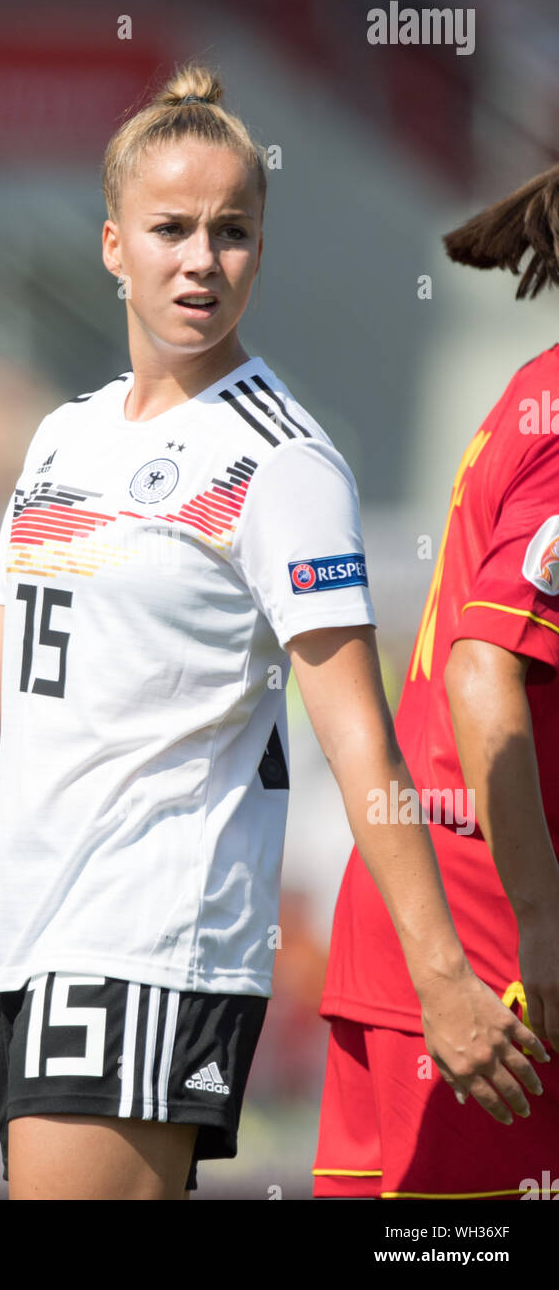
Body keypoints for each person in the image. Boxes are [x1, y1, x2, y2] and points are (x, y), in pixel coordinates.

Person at [0, 64, 548, 1202]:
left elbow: (362, 748)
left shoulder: (280, 460)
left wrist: (439, 972)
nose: (201, 260)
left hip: (158, 943)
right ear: (111, 246)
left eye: (231, 231)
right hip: (46, 943)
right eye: (170, 228)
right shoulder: (62, 440)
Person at [313, 163, 559, 1201]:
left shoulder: (533, 387)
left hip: (415, 935)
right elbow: (479, 671)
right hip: (488, 956)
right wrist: (542, 921)